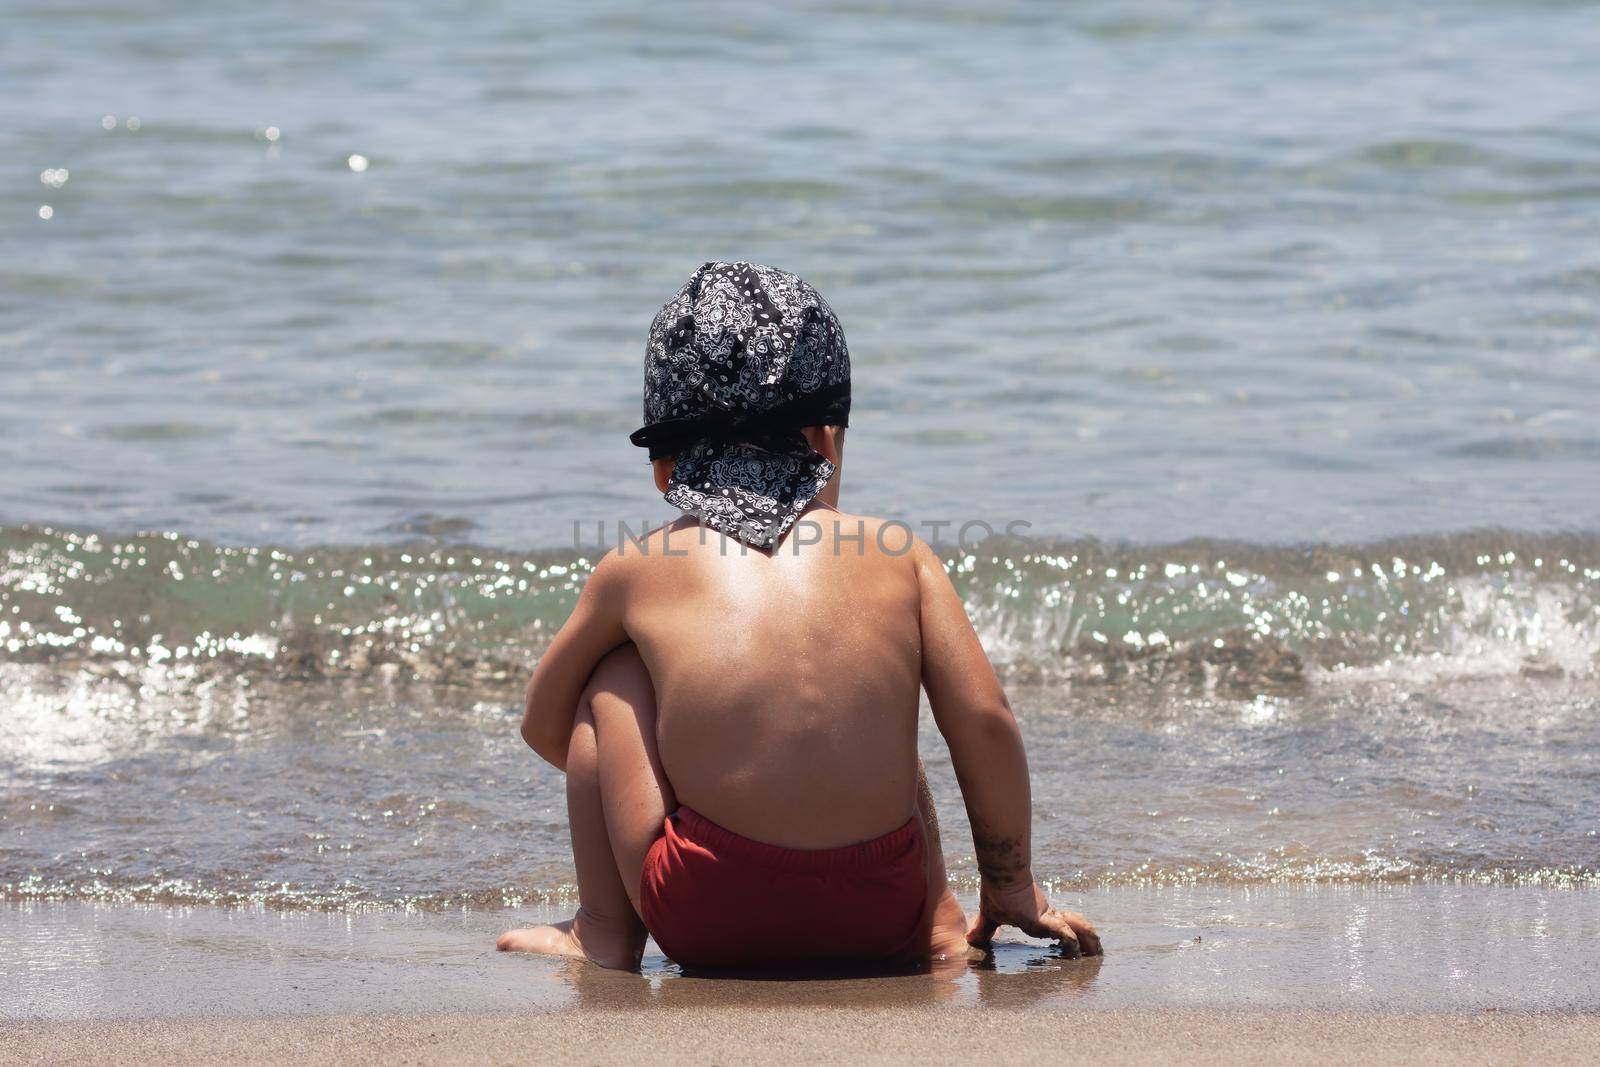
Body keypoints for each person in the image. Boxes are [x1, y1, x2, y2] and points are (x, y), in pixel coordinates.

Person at [497, 262, 1100, 971]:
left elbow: (547, 723)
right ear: (826, 437)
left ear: (665, 466)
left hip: (707, 912)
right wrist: (1012, 887)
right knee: (875, 705)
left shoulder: (634, 569)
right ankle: (943, 929)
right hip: (882, 914)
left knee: (609, 678)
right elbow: (987, 720)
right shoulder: (903, 555)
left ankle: (601, 929)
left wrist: (690, 746)